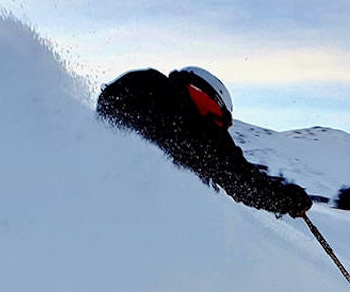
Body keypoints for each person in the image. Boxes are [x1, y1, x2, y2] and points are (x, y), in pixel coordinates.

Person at [96, 66, 313, 217]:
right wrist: (289, 200)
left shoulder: (147, 80)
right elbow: (242, 182)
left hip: (106, 183)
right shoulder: (205, 132)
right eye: (222, 121)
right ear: (214, 103)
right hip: (151, 207)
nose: (222, 128)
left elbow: (105, 103)